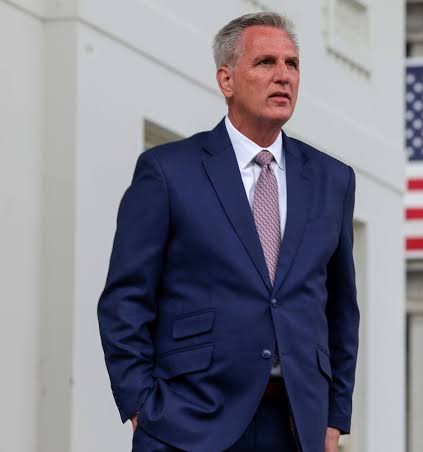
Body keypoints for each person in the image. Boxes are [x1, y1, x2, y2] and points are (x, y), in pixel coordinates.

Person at [97, 12, 359, 452]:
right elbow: (126, 299)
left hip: (297, 425)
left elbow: (341, 310)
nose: (283, 76)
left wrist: (335, 418)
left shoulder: (333, 180)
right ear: (226, 80)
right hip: (187, 421)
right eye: (266, 62)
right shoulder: (167, 171)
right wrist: (142, 405)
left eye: (292, 64)